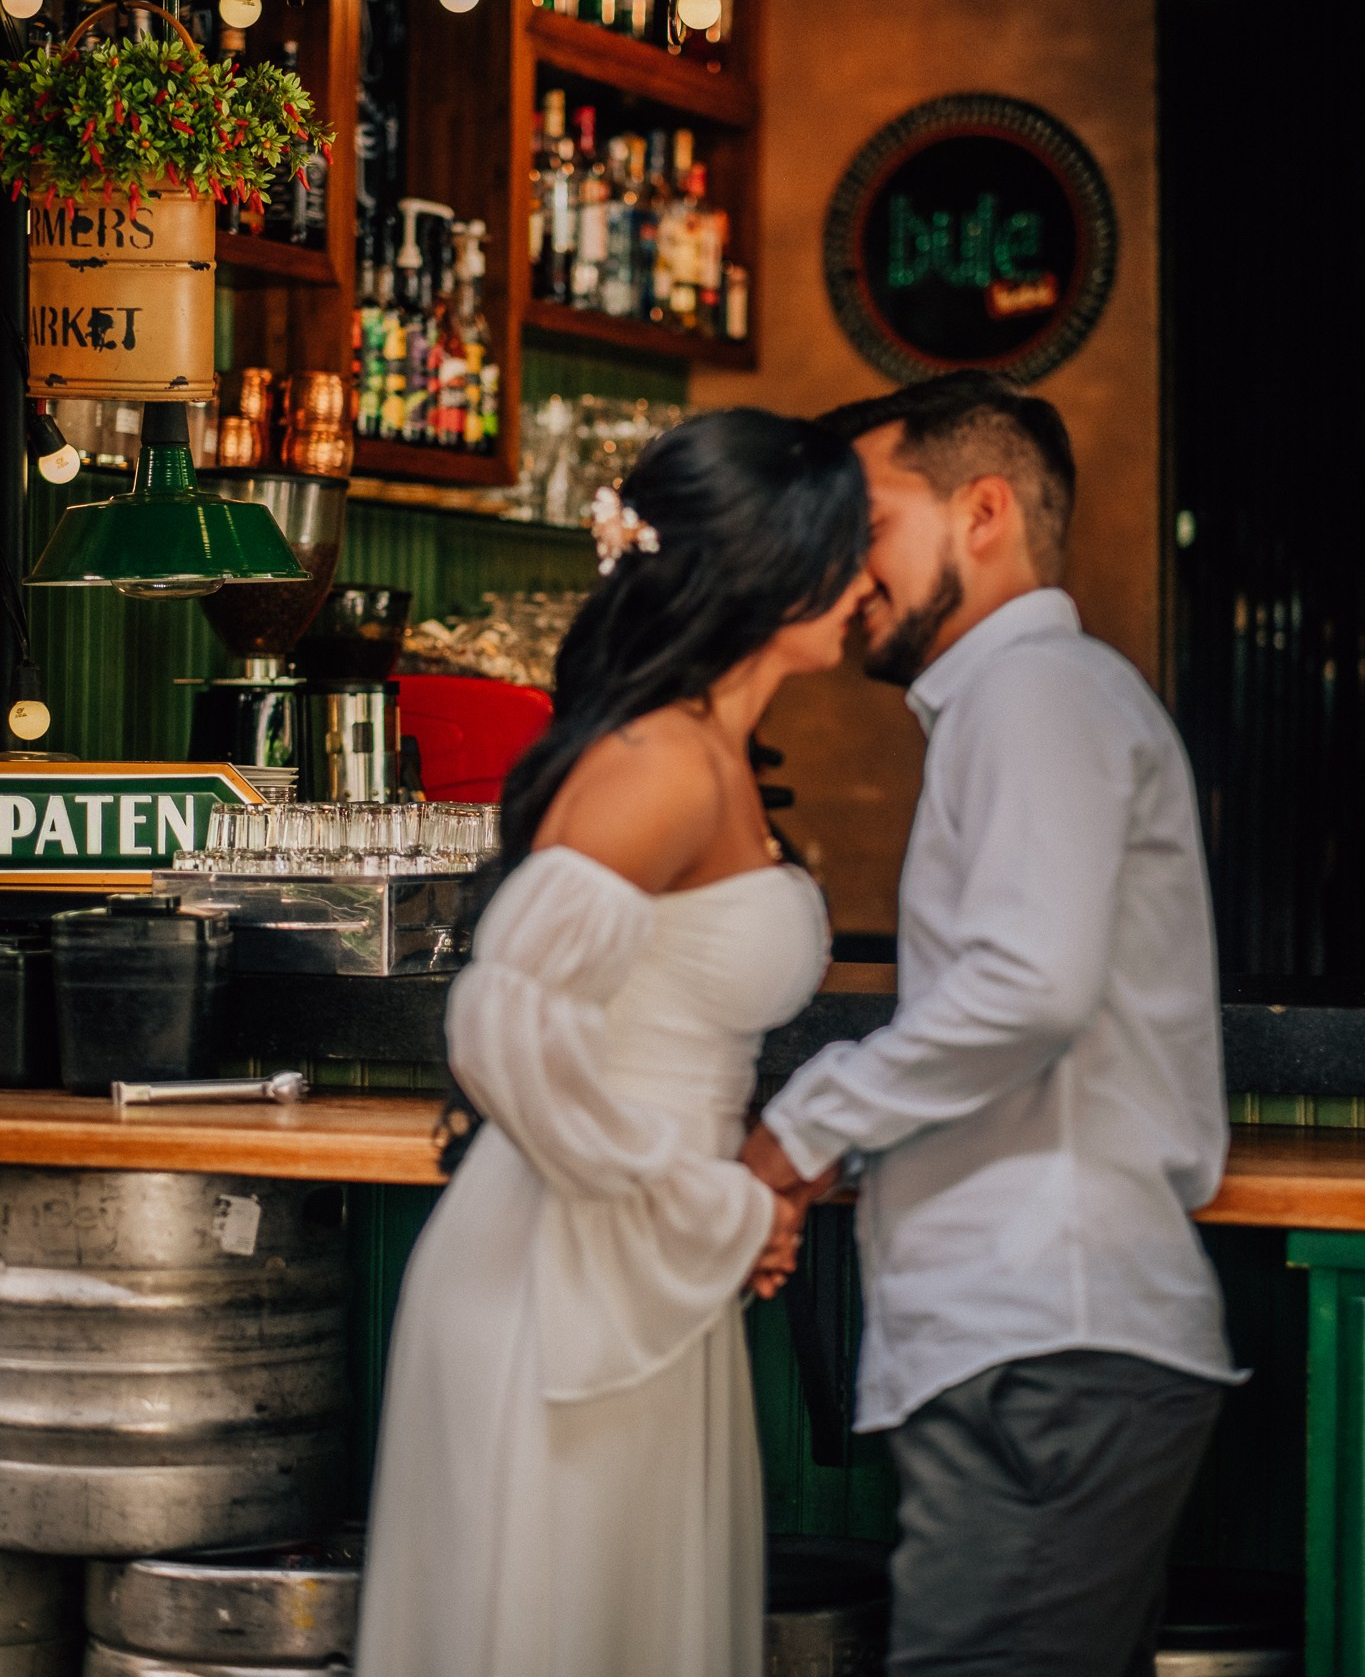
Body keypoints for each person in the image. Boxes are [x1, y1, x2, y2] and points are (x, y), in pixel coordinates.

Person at [355, 407, 871, 1677]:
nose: (869, 578)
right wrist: (710, 1200)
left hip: (641, 1264)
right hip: (566, 1274)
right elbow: (502, 1023)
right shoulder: (665, 763)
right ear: (778, 568)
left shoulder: (712, 748)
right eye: (849, 545)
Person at [743, 369, 1242, 1677]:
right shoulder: (1014, 703)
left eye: (868, 525)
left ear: (982, 512)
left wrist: (802, 1129)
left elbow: (1027, 985)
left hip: (1048, 1341)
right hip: (1040, 1343)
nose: (842, 569)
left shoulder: (1037, 691)